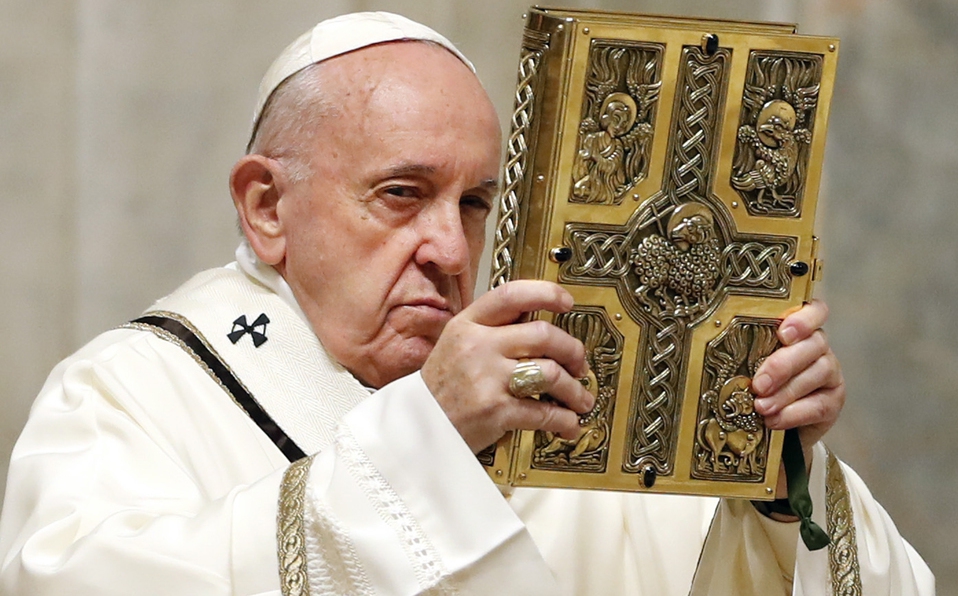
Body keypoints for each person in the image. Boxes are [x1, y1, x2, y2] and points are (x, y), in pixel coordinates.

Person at [0, 11, 934, 596]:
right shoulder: (128, 395)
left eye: (476, 203)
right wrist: (423, 445)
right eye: (401, 195)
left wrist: (772, 481)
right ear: (267, 205)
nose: (452, 250)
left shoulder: (580, 407)